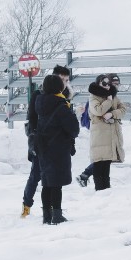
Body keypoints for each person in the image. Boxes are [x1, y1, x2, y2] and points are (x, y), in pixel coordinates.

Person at [21, 63, 73, 217]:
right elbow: (31, 117)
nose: (64, 82)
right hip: (41, 142)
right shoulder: (39, 95)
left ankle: (52, 211)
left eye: (66, 79)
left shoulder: (66, 97)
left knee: (55, 179)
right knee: (36, 175)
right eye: (61, 79)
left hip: (58, 145)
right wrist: (34, 137)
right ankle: (26, 205)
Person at [33, 73, 80, 224]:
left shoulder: (40, 103)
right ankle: (57, 215)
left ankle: (47, 215)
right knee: (56, 184)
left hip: (43, 147)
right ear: (59, 87)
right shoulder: (60, 105)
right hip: (58, 148)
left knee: (47, 182)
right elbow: (73, 128)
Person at [83, 72, 126, 190]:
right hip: (100, 135)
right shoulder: (94, 97)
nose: (107, 85)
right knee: (98, 163)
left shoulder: (113, 95)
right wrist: (108, 101)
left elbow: (123, 109)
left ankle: (106, 190)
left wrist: (112, 114)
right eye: (104, 83)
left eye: (108, 83)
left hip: (111, 134)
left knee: (106, 164)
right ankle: (99, 190)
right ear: (99, 83)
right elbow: (98, 111)